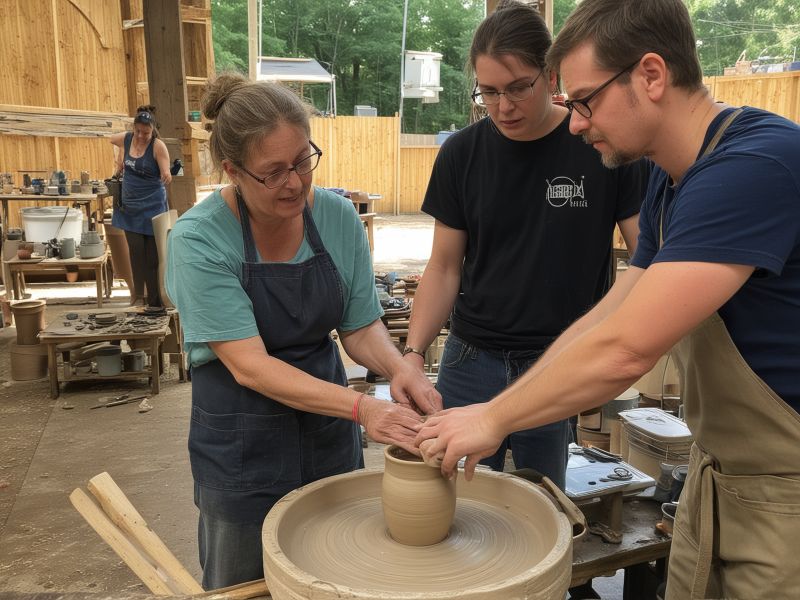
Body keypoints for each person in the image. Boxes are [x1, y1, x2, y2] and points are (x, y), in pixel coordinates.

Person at [417, 1, 800, 598]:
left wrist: (494, 417)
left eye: (584, 101)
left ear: (650, 75)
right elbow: (609, 316)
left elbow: (626, 351)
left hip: (785, 494)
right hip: (718, 478)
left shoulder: (752, 167)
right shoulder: (672, 182)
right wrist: (494, 407)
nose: (573, 123)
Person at [165, 73, 440, 590]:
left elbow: (359, 327)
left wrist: (402, 365)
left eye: (301, 161)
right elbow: (250, 366)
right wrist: (363, 407)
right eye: (273, 172)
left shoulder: (336, 216)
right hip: (241, 442)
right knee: (243, 584)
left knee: (332, 577)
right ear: (232, 170)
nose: (294, 182)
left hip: (326, 438)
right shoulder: (197, 241)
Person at [397, 0, 647, 489]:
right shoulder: (461, 154)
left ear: (550, 76)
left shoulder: (600, 144)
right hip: (470, 359)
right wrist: (412, 352)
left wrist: (606, 356)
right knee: (450, 497)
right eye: (488, 92)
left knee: (541, 501)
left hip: (555, 363)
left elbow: (647, 257)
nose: (502, 106)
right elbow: (444, 268)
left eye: (517, 88)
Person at [109, 105, 171, 306]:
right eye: (138, 131)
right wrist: (120, 160)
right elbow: (111, 139)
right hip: (130, 207)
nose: (141, 136)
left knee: (152, 257)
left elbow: (167, 173)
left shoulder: (157, 146)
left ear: (152, 131)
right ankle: (137, 297)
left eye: (146, 132)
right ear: (133, 128)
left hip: (152, 206)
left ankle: (154, 301)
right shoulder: (126, 139)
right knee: (135, 253)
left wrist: (166, 174)